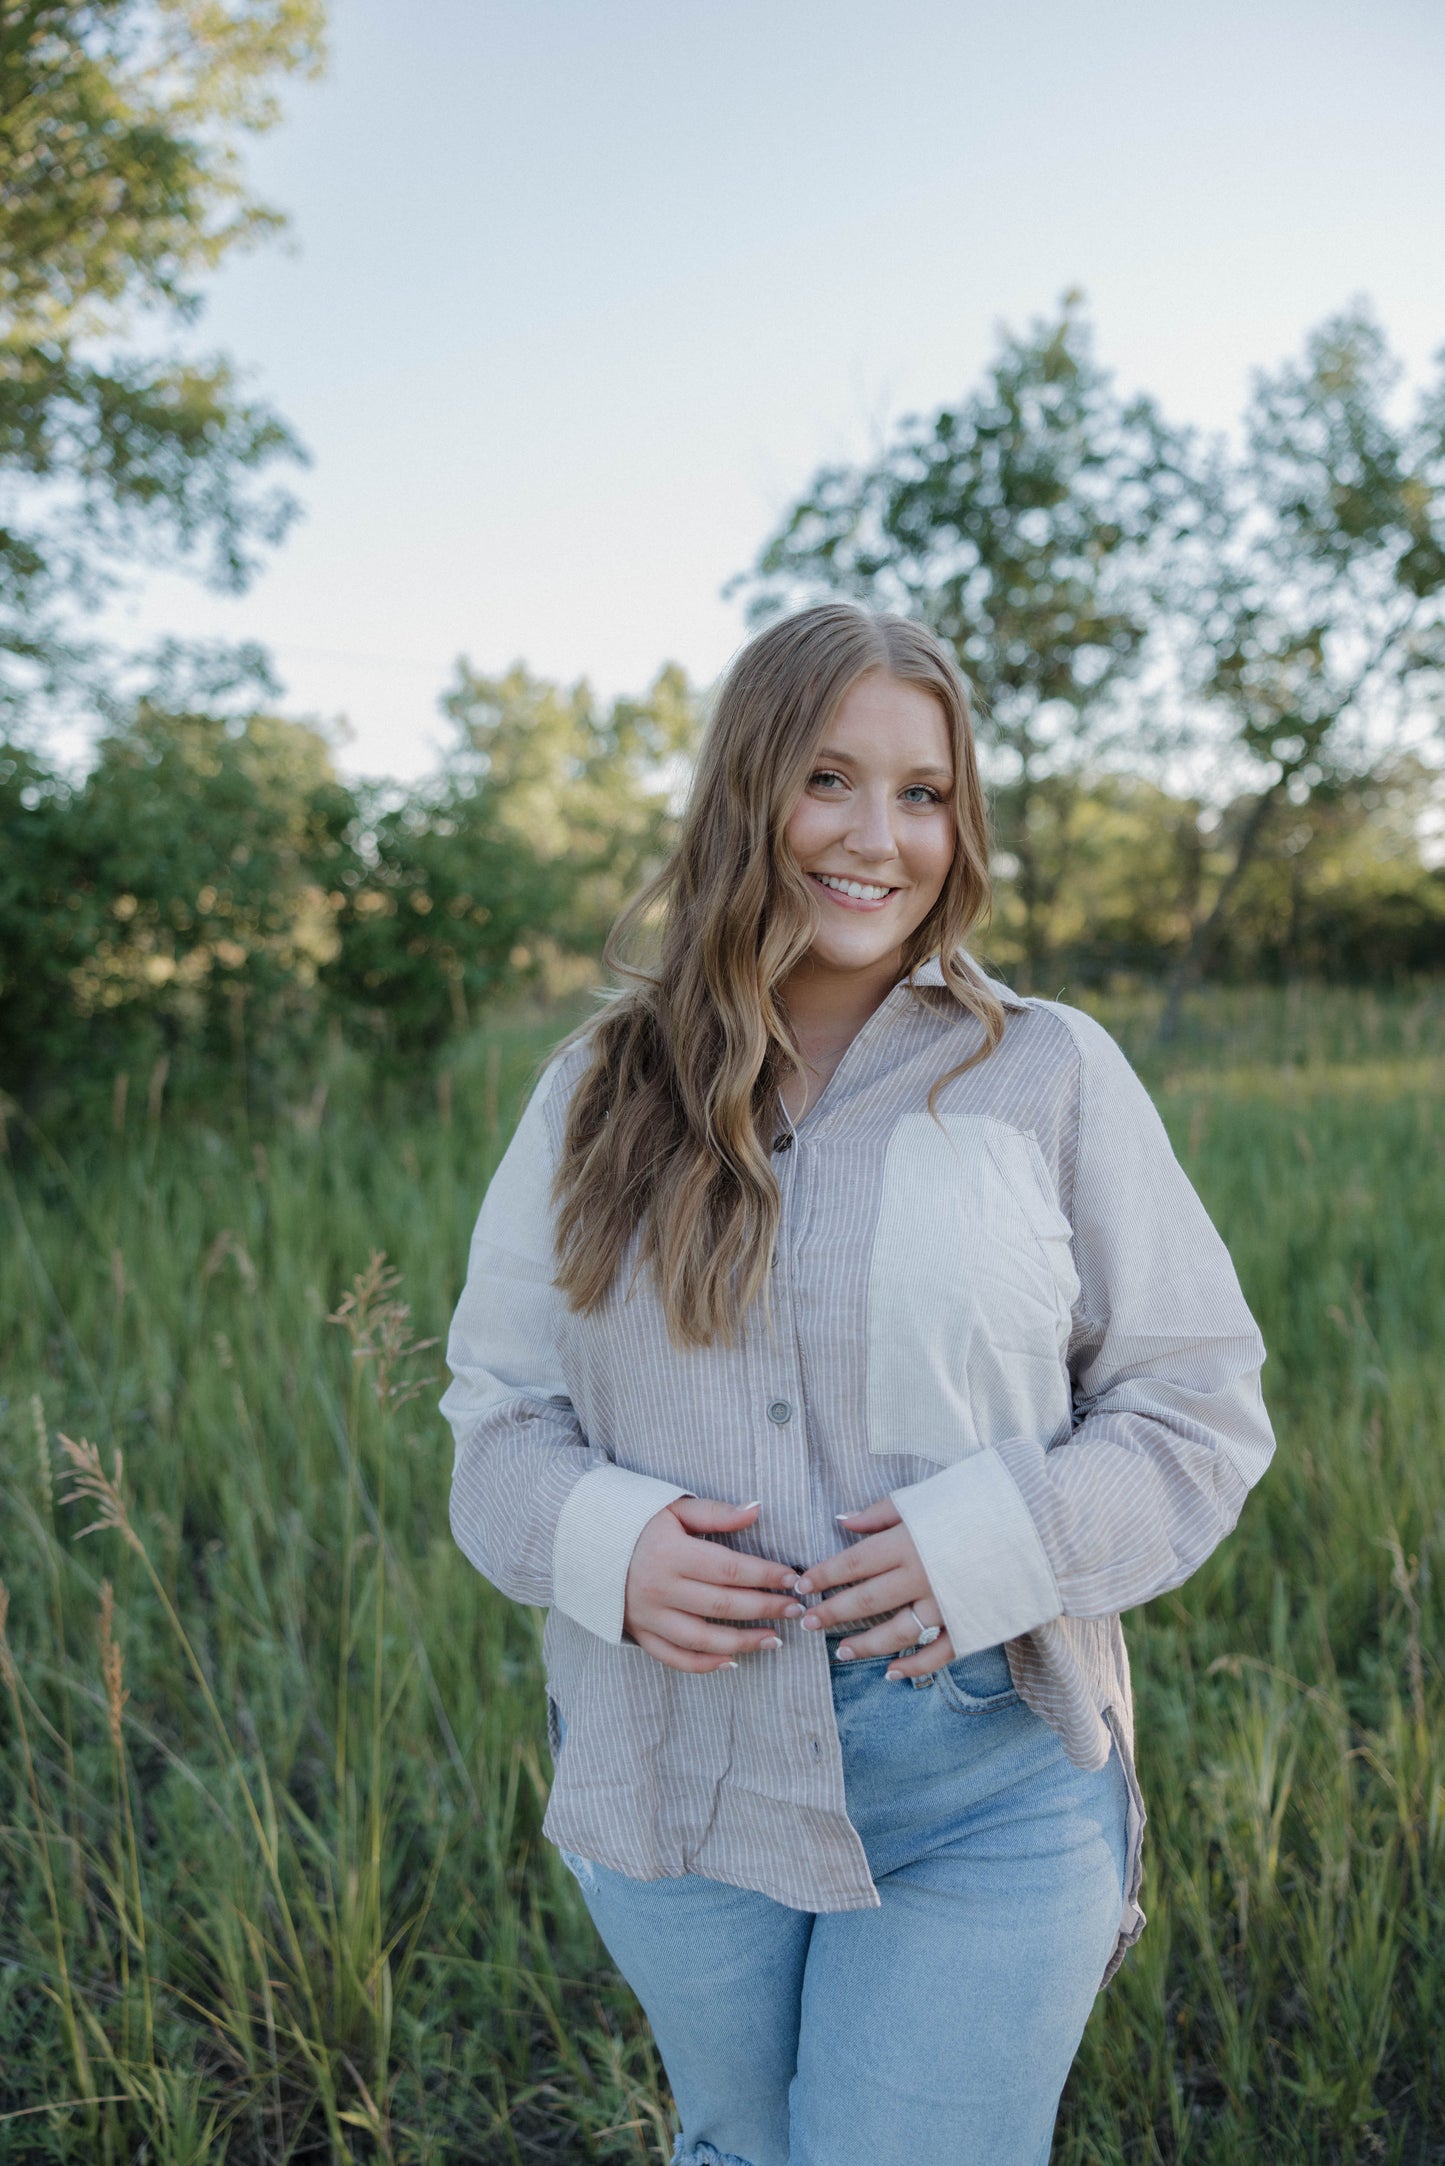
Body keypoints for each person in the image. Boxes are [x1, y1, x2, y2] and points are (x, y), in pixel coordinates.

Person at [440, 603, 1275, 2166]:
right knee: (739, 2147)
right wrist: (605, 1547)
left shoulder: (1049, 1071)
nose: (876, 836)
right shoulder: (592, 1092)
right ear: (748, 790)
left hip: (984, 1767)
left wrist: (1006, 1537)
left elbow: (1197, 1404)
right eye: (829, 779)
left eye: (923, 792)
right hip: (675, 1772)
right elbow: (491, 1423)